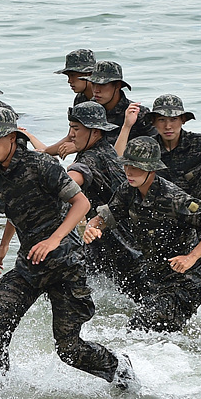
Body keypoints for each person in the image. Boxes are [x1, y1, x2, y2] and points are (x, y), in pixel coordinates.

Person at [0, 106, 134, 388]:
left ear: (13, 137)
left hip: (65, 264)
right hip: (30, 264)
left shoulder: (41, 165)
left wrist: (53, 239)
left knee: (69, 350)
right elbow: (15, 209)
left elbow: (81, 204)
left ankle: (119, 368)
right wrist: (3, 246)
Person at [84, 136, 201, 332]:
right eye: (127, 165)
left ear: (152, 169)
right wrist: (92, 228)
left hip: (184, 283)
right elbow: (105, 217)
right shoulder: (128, 190)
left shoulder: (174, 198)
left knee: (137, 329)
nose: (129, 172)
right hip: (152, 277)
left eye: (136, 167)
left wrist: (191, 257)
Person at [118, 94, 201, 235]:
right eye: (161, 120)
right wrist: (126, 126)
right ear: (153, 122)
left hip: (200, 213)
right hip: (164, 216)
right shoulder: (148, 147)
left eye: (174, 119)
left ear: (183, 120)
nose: (168, 126)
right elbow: (118, 165)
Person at [62, 101, 131, 276]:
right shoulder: (105, 149)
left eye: (76, 129)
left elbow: (71, 180)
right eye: (71, 128)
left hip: (118, 242)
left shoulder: (91, 157)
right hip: (116, 234)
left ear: (95, 131)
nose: (71, 135)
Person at [84, 60, 151, 138]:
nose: (96, 90)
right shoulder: (88, 110)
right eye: (93, 84)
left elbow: (156, 144)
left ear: (117, 86)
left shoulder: (137, 114)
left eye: (102, 84)